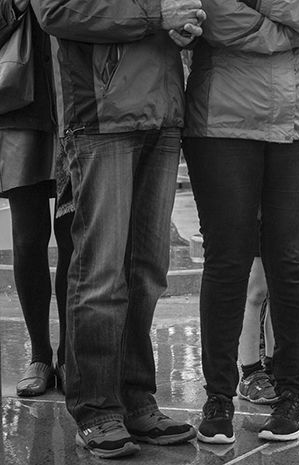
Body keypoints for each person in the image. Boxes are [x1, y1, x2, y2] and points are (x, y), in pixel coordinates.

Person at [30, 0, 206, 458]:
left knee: (147, 272)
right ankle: (96, 410)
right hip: (99, 116)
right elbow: (58, 11)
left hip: (163, 112)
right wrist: (156, 16)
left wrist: (181, 29)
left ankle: (135, 400)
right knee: (101, 273)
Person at [183, 0, 299, 443]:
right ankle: (218, 398)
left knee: (290, 260)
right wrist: (291, 33)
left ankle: (292, 397)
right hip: (222, 118)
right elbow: (216, 17)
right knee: (226, 261)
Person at [0, 0, 73, 398]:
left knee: (72, 237)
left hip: (75, 105)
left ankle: (68, 354)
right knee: (28, 239)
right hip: (18, 107)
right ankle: (40, 354)